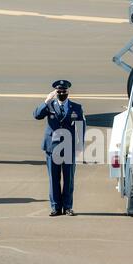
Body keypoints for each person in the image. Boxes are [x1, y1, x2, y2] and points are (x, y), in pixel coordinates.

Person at [33, 80, 86, 217]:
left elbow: (81, 127)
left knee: (68, 179)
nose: (62, 94)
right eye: (59, 92)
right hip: (52, 147)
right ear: (55, 93)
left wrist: (80, 147)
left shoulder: (76, 107)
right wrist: (46, 101)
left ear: (68, 92)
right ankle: (56, 207)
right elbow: (37, 115)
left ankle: (68, 207)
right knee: (54, 178)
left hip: (68, 148)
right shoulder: (50, 105)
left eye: (64, 91)